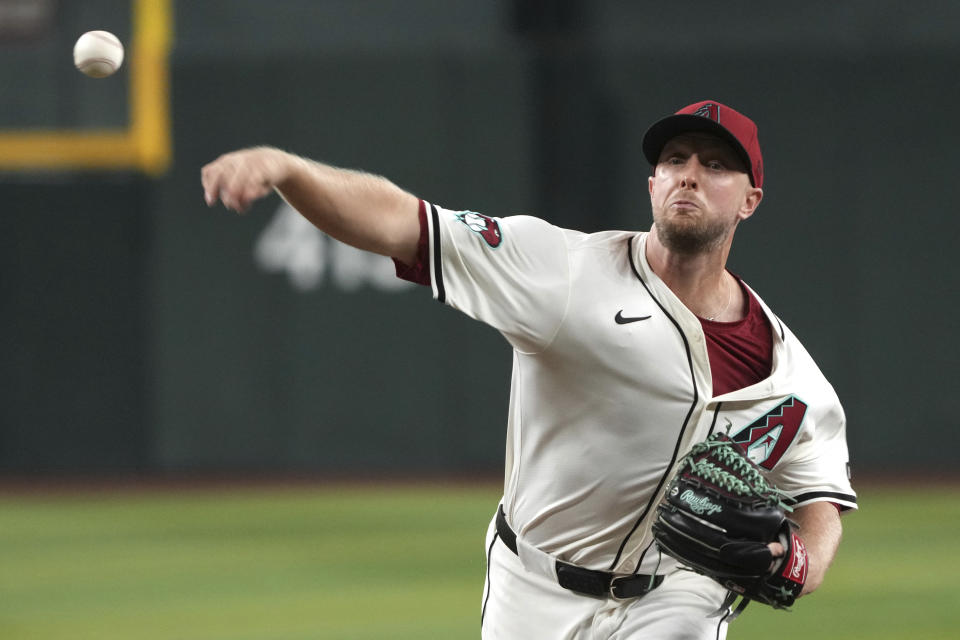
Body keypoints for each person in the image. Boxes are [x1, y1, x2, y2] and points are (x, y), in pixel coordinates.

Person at [202, 100, 857, 639]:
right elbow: (401, 222)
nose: (690, 174)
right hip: (533, 586)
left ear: (750, 200)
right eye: (674, 160)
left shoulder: (789, 373)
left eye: (716, 166)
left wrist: (805, 558)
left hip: (676, 599)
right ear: (652, 184)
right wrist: (289, 169)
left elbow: (819, 492)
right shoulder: (564, 271)